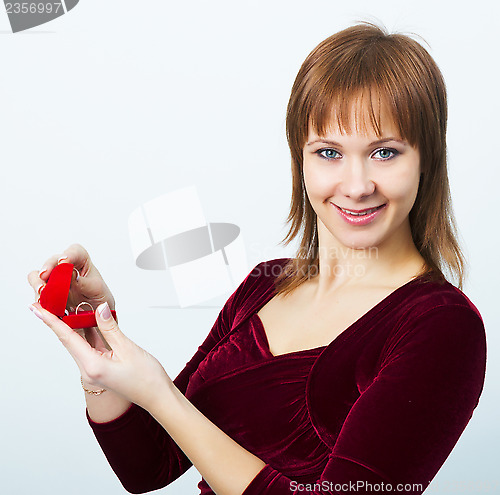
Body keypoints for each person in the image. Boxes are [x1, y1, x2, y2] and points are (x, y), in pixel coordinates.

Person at [27, 22, 486, 495]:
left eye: (385, 152)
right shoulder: (266, 283)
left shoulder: (442, 327)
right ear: (300, 159)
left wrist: (161, 395)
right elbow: (150, 464)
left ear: (427, 156)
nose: (356, 184)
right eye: (328, 152)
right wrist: (101, 347)